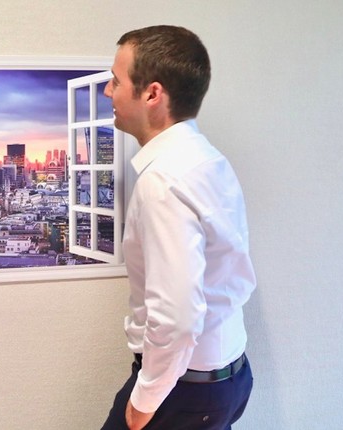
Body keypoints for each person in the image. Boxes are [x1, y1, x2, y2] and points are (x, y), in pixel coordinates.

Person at [101, 26, 256, 430]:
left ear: (152, 94)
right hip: (226, 374)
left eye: (116, 81)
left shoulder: (164, 181)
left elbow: (177, 316)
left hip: (183, 390)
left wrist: (143, 403)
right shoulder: (206, 159)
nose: (107, 91)